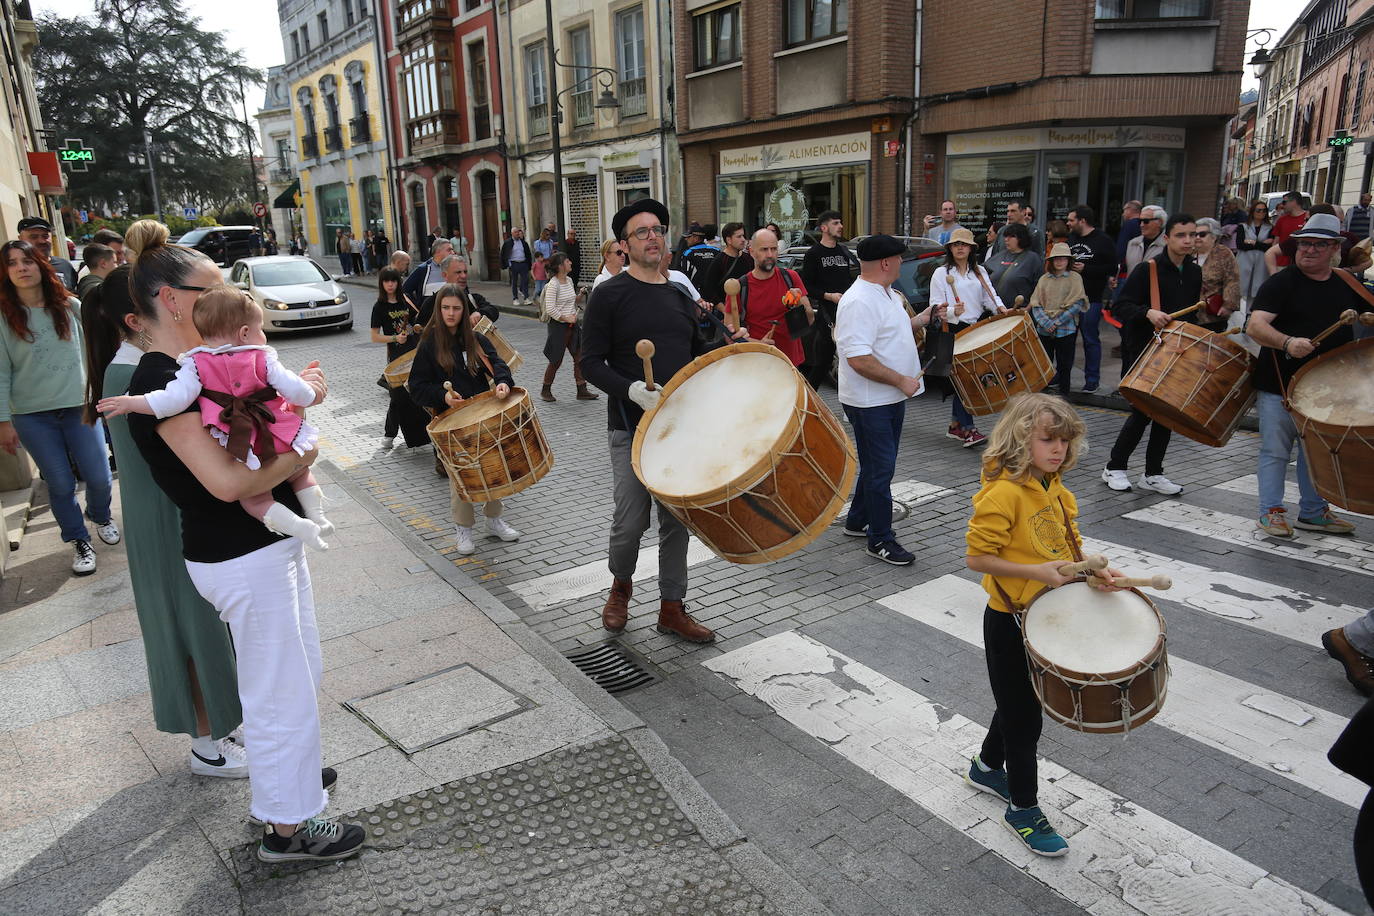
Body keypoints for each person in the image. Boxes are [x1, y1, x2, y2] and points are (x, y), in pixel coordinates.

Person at [120, 221, 356, 862]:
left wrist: (295, 412)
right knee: (278, 690)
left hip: (258, 549)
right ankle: (289, 828)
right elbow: (226, 484)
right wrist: (306, 442)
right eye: (213, 288)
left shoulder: (200, 366)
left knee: (296, 675)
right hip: (240, 553)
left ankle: (294, 784)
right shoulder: (164, 381)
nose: (225, 300)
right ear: (174, 300)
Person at [81, 265, 250, 778]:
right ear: (144, 314)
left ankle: (222, 728)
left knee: (207, 630)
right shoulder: (131, 373)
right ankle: (206, 745)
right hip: (166, 520)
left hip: (174, 514)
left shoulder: (145, 365)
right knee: (189, 633)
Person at [965, 392, 1124, 858]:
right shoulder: (1003, 493)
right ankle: (1023, 806)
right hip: (1009, 621)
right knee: (1025, 718)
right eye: (1047, 439)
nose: (1058, 448)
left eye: (1064, 439)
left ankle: (986, 766)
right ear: (1020, 439)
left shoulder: (1053, 485)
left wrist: (1093, 572)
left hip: (1045, 616)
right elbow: (977, 557)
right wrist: (1037, 573)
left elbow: (1065, 547)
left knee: (1020, 701)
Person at [98, 286, 334, 551]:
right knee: (301, 472)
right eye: (261, 328)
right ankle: (319, 517)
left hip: (244, 444)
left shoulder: (193, 363)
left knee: (255, 501)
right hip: (278, 430)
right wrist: (313, 393)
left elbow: (172, 400)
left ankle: (298, 526)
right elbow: (297, 392)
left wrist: (133, 402)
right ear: (245, 333)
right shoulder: (264, 357)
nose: (263, 335)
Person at [579, 198, 715, 644]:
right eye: (642, 231)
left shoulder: (678, 292)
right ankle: (620, 586)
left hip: (679, 429)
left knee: (677, 521)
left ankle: (672, 607)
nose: (653, 236)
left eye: (657, 229)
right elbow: (590, 362)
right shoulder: (607, 294)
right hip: (630, 427)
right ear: (624, 245)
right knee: (631, 519)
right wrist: (630, 388)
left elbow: (697, 355)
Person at [1244, 212, 1367, 540]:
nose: (1309, 250)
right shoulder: (1282, 282)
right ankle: (1270, 512)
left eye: (1319, 244)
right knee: (1275, 450)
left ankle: (1313, 512)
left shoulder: (1345, 282)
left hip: (1329, 389)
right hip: (1281, 385)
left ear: (1334, 249)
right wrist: (1286, 342)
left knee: (1318, 451)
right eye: (1304, 244)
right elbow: (1255, 326)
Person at [0, 239, 119, 575]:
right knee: (61, 483)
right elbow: (1, 372)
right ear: (5, 272)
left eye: (27, 261)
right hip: (31, 414)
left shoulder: (69, 306)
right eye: (12, 263)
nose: (21, 268)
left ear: (41, 264)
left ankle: (99, 515)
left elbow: (102, 342)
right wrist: (3, 421)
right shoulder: (4, 317)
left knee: (99, 477)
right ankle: (78, 540)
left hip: (79, 407)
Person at [834, 234, 941, 566]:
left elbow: (888, 331)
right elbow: (858, 359)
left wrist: (920, 320)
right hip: (871, 401)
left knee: (876, 465)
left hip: (888, 397)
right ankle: (879, 538)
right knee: (882, 470)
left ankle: (856, 521)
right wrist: (901, 380)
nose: (902, 263)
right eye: (899, 258)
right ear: (885, 263)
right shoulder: (857, 302)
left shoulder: (886, 294)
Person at [407, 284, 522, 556]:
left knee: (492, 471)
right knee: (461, 477)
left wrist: (503, 383)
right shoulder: (429, 345)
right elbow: (416, 385)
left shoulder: (476, 340)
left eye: (456, 308)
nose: (450, 313)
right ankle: (463, 530)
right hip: (451, 422)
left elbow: (500, 365)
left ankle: (494, 520)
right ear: (438, 310)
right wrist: (442, 397)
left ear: (464, 310)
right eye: (445, 308)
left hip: (483, 417)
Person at [1101, 213, 1201, 495]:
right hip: (1144, 349)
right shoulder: (1149, 270)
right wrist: (1147, 312)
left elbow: (1191, 314)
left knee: (1166, 414)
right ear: (1167, 238)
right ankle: (1114, 466)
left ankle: (1153, 473)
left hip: (1175, 352)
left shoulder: (1194, 272)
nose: (1188, 240)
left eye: (1192, 235)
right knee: (1142, 411)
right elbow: (1120, 306)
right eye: (1181, 235)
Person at [928, 227, 1007, 447]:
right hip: (952, 331)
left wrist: (1002, 310)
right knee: (965, 381)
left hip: (974, 330)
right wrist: (953, 311)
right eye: (956, 244)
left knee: (964, 380)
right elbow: (934, 307)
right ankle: (968, 429)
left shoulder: (979, 271)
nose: (960, 247)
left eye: (964, 244)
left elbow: (990, 297)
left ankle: (956, 426)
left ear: (972, 248)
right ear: (950, 248)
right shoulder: (941, 273)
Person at [370, 267, 430, 451]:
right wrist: (395, 338)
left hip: (414, 354)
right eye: (386, 281)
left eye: (393, 281)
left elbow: (418, 321)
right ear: (382, 283)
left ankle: (423, 432)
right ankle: (390, 434)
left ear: (398, 283)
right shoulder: (379, 307)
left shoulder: (406, 301)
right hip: (396, 357)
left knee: (418, 392)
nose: (390, 284)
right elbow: (374, 336)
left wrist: (417, 329)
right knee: (397, 395)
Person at [739, 228, 813, 367]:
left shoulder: (791, 277)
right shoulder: (741, 286)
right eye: (764, 249)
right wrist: (759, 344)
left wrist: (799, 305)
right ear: (752, 251)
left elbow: (810, 319)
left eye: (774, 249)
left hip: (791, 363)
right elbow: (729, 335)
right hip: (756, 364)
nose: (770, 254)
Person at [1065, 205, 1116, 392]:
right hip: (1069, 299)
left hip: (1091, 298)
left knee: (1090, 339)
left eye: (1071, 220)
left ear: (1082, 221)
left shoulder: (1103, 240)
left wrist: (1086, 269)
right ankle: (1062, 376)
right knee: (1066, 340)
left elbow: (1111, 268)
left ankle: (1092, 379)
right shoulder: (1072, 239)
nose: (1068, 223)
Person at [798, 211, 852, 389]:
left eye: (840, 223)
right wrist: (828, 296)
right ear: (824, 228)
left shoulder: (844, 251)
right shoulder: (814, 253)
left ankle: (849, 406)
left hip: (847, 312)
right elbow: (806, 286)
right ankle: (808, 399)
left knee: (850, 360)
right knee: (823, 361)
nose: (840, 226)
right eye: (836, 223)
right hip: (827, 315)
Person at [1028, 243, 1087, 397]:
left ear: (1068, 260)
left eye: (1063, 258)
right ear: (1051, 261)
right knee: (1044, 364)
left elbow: (1077, 302)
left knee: (1065, 365)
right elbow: (1036, 303)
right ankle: (1043, 395)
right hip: (1044, 329)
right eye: (1056, 259)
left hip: (1066, 329)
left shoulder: (1075, 278)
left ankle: (1064, 395)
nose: (1060, 261)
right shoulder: (1044, 279)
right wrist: (1046, 322)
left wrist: (1057, 322)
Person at [539, 252, 596, 403]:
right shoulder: (553, 284)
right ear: (560, 266)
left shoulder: (569, 280)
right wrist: (566, 317)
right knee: (556, 360)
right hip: (558, 327)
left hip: (573, 325)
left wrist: (580, 295)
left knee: (580, 357)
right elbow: (551, 309)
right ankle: (546, 389)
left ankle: (581, 389)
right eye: (567, 260)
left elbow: (571, 301)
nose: (571, 262)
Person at [1193, 217, 1240, 331]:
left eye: (1202, 234)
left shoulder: (1224, 253)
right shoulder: (1189, 252)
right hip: (1190, 312)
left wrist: (1228, 306)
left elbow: (1232, 280)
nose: (1198, 237)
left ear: (1214, 236)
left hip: (1212, 314)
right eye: (1195, 234)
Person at [699, 221, 753, 307]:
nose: (743, 239)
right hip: (726, 313)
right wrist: (725, 312)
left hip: (747, 311)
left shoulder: (749, 259)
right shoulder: (719, 261)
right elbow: (709, 290)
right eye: (739, 236)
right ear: (729, 240)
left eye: (743, 236)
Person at [986, 223, 1040, 306]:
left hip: (1017, 311)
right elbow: (981, 273)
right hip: (995, 310)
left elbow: (1039, 289)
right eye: (1006, 236)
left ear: (1021, 238)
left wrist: (1028, 308)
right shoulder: (999, 256)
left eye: (1011, 236)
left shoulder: (1032, 259)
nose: (1006, 239)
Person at [17, 216, 78, 290]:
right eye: (34, 237)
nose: (41, 241)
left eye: (45, 236)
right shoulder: (17, 270)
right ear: (21, 239)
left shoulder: (65, 265)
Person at [1236, 200, 1274, 302]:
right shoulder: (1243, 226)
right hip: (1245, 261)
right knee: (1241, 287)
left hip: (1261, 262)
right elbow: (1240, 245)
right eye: (1258, 210)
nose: (1261, 213)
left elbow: (1269, 247)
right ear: (1252, 211)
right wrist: (1261, 244)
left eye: (1264, 211)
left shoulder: (1270, 228)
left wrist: (1253, 243)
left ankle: (1250, 313)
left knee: (1257, 288)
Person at [403, 239, 454, 313]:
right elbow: (405, 291)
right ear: (438, 252)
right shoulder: (423, 270)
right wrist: (417, 309)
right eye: (449, 250)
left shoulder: (455, 268)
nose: (453, 253)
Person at [1123, 205, 1167, 274]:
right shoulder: (1132, 243)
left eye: (1146, 221)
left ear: (1160, 222)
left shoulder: (1168, 245)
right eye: (1140, 221)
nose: (1141, 225)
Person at [1272, 191, 1309, 270]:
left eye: (1284, 202)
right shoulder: (1281, 220)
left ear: (1293, 202)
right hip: (1281, 264)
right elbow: (1276, 242)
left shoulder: (1307, 219)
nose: (1282, 205)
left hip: (1300, 264)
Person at [500, 228, 532, 305]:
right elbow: (503, 254)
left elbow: (528, 253)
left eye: (518, 232)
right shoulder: (508, 243)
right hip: (514, 264)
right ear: (512, 233)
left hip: (523, 263)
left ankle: (526, 298)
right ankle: (515, 298)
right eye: (515, 232)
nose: (517, 234)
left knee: (525, 281)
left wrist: (528, 264)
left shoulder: (523, 243)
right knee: (514, 282)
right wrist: (507, 264)